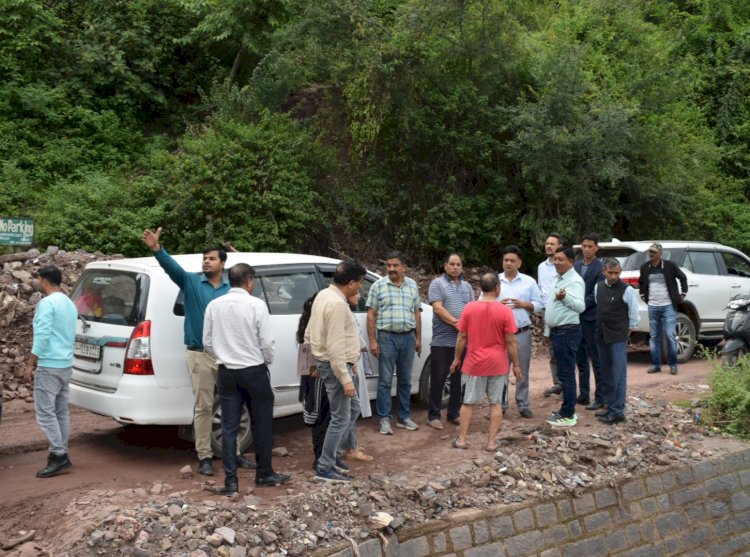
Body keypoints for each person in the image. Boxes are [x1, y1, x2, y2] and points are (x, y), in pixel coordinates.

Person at [142, 227, 254, 476]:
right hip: (200, 354)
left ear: (223, 263)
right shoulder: (191, 282)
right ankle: (204, 456)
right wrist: (157, 249)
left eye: (212, 258)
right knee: (203, 407)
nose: (206, 261)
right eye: (204, 258)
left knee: (231, 405)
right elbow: (172, 269)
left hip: (227, 355)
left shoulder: (231, 288)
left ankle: (234, 452)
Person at [203, 263, 289, 493]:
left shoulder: (214, 305)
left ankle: (231, 482)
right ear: (249, 281)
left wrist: (223, 355)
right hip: (253, 370)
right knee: (261, 422)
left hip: (227, 371)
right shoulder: (256, 305)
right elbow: (267, 342)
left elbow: (207, 342)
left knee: (229, 426)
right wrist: (265, 361)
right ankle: (265, 473)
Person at [306, 260, 368, 483]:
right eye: (359, 283)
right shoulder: (337, 304)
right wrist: (345, 379)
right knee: (340, 417)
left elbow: (309, 332)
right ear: (351, 283)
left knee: (353, 409)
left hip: (334, 364)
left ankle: (332, 457)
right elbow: (334, 347)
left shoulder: (324, 295)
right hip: (337, 367)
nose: (360, 287)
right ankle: (324, 467)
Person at [449, 273, 520, 451]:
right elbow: (511, 341)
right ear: (498, 288)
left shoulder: (469, 308)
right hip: (498, 364)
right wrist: (517, 365)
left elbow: (462, 337)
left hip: (473, 363)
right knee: (496, 403)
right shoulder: (505, 311)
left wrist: (457, 358)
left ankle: (462, 440)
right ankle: (491, 443)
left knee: (467, 402)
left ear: (481, 288)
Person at [23, 266, 77, 478]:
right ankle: (61, 450)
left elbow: (43, 335)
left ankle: (58, 454)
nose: (36, 281)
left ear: (44, 281)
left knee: (45, 413)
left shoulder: (47, 304)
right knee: (61, 411)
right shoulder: (69, 302)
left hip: (49, 364)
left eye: (37, 278)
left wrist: (30, 362)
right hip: (65, 364)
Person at [367, 251, 422, 435]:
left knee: (405, 380)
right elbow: (371, 314)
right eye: (388, 265)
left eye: (395, 265)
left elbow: (416, 313)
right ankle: (384, 419)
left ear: (403, 267)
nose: (391, 269)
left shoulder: (412, 285)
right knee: (385, 381)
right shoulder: (378, 286)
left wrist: (418, 338)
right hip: (386, 338)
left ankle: (404, 417)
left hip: (408, 338)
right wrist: (373, 340)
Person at [426, 253, 475, 430]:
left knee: (459, 380)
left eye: (458, 264)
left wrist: (466, 328)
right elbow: (438, 308)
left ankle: (453, 413)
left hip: (463, 342)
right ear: (445, 266)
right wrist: (457, 323)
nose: (455, 267)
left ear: (462, 267)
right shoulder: (437, 284)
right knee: (438, 379)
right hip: (442, 341)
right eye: (452, 264)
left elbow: (472, 309)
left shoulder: (467, 287)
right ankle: (433, 415)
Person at [594, 258, 641, 424]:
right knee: (605, 372)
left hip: (618, 336)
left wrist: (628, 329)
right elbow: (598, 306)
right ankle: (608, 406)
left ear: (620, 272)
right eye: (610, 273)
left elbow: (634, 313)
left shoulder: (626, 290)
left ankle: (617, 410)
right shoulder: (598, 287)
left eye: (616, 273)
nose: (614, 276)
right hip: (601, 334)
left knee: (618, 374)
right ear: (604, 272)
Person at [498, 245, 542, 418]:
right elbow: (483, 302)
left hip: (521, 332)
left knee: (522, 369)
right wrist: (496, 306)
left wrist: (523, 304)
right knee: (500, 370)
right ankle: (500, 404)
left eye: (512, 261)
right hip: (500, 334)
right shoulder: (495, 280)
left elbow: (539, 304)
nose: (508, 263)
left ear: (519, 263)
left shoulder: (529, 282)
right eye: (506, 260)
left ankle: (523, 404)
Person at [544, 246, 585, 427]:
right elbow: (552, 307)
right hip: (557, 332)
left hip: (568, 331)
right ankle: (566, 409)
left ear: (571, 262)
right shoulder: (559, 279)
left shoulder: (574, 281)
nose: (556, 263)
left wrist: (565, 298)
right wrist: (547, 332)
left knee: (567, 374)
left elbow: (580, 307)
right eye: (555, 259)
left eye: (561, 259)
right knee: (563, 373)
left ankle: (568, 414)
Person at [638, 243, 688, 375]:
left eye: (654, 252)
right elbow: (641, 282)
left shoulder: (669, 266)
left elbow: (682, 277)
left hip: (668, 306)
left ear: (660, 253)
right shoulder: (645, 267)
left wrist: (683, 294)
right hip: (653, 307)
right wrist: (643, 294)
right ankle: (656, 365)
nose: (651, 254)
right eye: (650, 252)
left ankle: (673, 364)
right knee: (654, 337)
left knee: (670, 336)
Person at [573, 233, 605, 409]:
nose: (586, 249)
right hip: (576, 319)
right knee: (581, 359)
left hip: (591, 318)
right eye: (584, 246)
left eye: (590, 246)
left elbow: (596, 294)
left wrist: (579, 305)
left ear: (596, 248)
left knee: (596, 359)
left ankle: (599, 397)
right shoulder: (576, 266)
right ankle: (583, 394)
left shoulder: (600, 268)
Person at [538, 233, 563, 397]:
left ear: (559, 245)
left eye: (552, 244)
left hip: (563, 311)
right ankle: (558, 384)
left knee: (564, 350)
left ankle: (567, 385)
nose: (548, 246)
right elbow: (542, 290)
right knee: (552, 350)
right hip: (547, 313)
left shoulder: (564, 265)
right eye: (547, 243)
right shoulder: (541, 267)